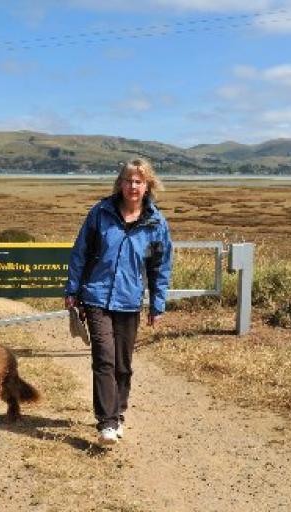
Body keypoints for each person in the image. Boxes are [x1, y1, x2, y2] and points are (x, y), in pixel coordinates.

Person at [64, 158, 172, 446]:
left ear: (148, 185)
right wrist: (72, 289)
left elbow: (159, 267)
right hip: (96, 296)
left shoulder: (155, 223)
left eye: (139, 181)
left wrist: (157, 303)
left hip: (129, 300)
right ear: (120, 183)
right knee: (104, 358)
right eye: (128, 180)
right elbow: (80, 252)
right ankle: (107, 423)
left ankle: (118, 413)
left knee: (123, 364)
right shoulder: (100, 213)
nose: (132, 186)